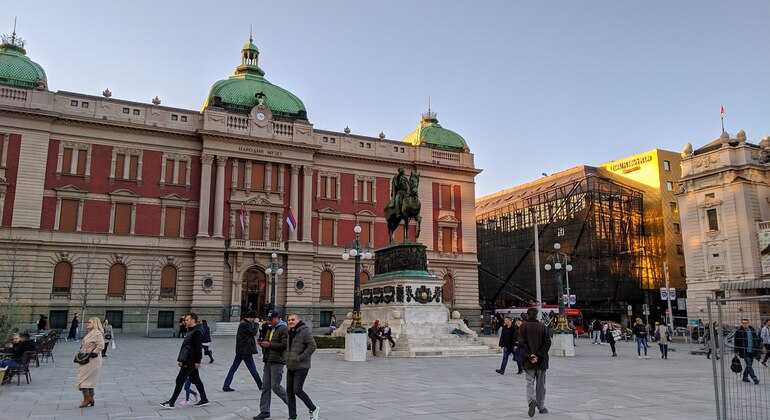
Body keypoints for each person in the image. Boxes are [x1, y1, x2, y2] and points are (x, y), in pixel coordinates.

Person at [158, 312, 210, 409]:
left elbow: (198, 348)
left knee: (180, 379)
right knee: (196, 379)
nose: (185, 321)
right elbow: (186, 347)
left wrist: (198, 361)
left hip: (191, 359)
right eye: (185, 320)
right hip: (187, 359)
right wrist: (181, 359)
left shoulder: (197, 331)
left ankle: (171, 402)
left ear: (193, 320)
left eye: (187, 320)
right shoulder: (191, 330)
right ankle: (204, 399)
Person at [254, 312, 289, 420]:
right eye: (269, 319)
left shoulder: (283, 329)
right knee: (265, 387)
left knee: (275, 386)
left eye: (272, 319)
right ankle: (264, 411)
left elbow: (285, 345)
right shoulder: (271, 328)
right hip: (268, 360)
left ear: (278, 318)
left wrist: (269, 345)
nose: (270, 321)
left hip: (277, 361)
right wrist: (262, 344)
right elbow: (268, 343)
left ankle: (292, 404)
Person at [285, 313, 320, 420]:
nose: (290, 321)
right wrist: (285, 357)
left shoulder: (304, 331)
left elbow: (312, 346)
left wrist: (300, 357)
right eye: (289, 320)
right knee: (289, 392)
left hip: (301, 366)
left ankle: (313, 408)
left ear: (298, 320)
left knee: (297, 390)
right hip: (290, 366)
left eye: (293, 319)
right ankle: (292, 416)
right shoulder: (289, 331)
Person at [519, 307, 551, 417]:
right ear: (537, 315)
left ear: (527, 315)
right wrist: (538, 355)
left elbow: (522, 343)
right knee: (541, 384)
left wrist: (531, 355)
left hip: (528, 361)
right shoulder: (542, 326)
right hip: (541, 361)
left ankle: (531, 401)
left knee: (529, 382)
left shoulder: (523, 326)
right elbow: (547, 343)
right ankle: (541, 406)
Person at [222, 310, 263, 392]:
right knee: (252, 368)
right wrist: (256, 324)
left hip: (241, 349)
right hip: (245, 350)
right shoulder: (245, 324)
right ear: (251, 317)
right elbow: (253, 332)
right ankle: (260, 385)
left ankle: (226, 385)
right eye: (254, 318)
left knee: (234, 367)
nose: (255, 320)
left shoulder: (244, 323)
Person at [74, 317, 105, 408]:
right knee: (88, 379)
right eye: (88, 322)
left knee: (82, 379)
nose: (88, 324)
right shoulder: (90, 333)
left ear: (95, 324)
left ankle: (87, 398)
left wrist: (93, 353)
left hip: (92, 360)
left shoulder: (97, 334)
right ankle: (91, 398)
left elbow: (101, 345)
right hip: (85, 358)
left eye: (90, 322)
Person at [734, 318, 761, 384]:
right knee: (749, 364)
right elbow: (736, 341)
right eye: (743, 323)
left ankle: (745, 377)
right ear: (742, 324)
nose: (745, 324)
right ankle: (754, 378)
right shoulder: (739, 331)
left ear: (748, 323)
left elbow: (756, 339)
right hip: (744, 351)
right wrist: (736, 350)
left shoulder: (752, 330)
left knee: (749, 365)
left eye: (746, 323)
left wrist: (758, 348)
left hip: (752, 350)